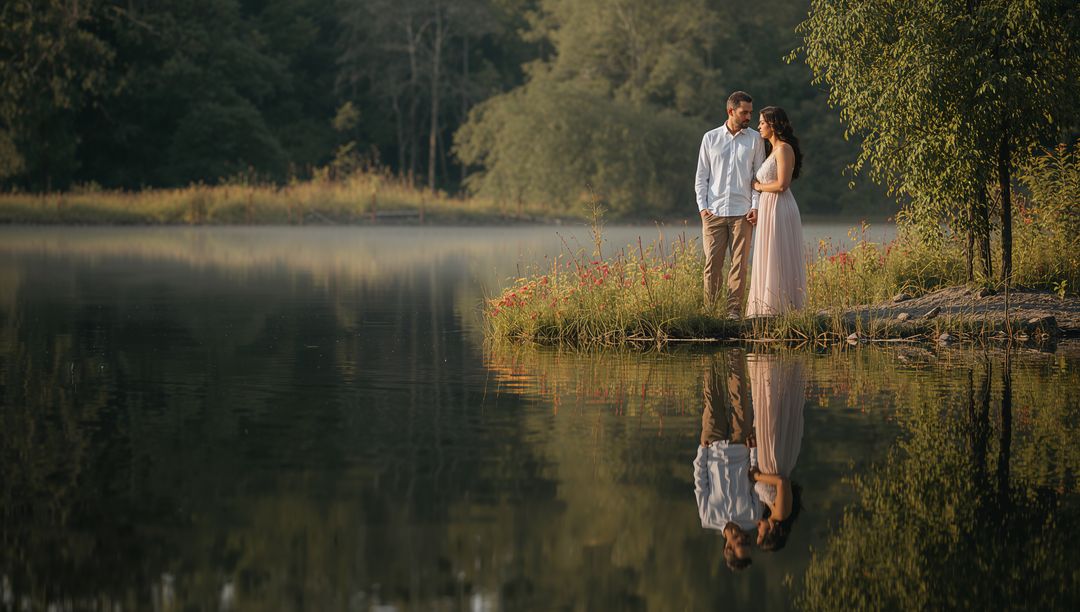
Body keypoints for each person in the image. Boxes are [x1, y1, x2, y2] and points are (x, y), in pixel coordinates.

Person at [695, 91, 767, 317]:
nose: (748, 117)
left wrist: (755, 207)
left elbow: (759, 178)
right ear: (730, 111)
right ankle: (711, 311)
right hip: (713, 212)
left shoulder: (755, 139)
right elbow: (701, 177)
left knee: (739, 265)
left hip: (742, 213)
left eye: (750, 113)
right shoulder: (710, 138)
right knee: (712, 265)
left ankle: (733, 312)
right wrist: (702, 208)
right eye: (744, 112)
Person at [692, 350, 760, 570]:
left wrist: (702, 451)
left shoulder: (708, 517)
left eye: (741, 543)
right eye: (748, 542)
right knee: (739, 394)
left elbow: (700, 483)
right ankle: (732, 349)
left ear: (728, 548)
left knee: (711, 394)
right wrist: (754, 451)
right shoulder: (753, 517)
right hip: (741, 447)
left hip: (712, 447)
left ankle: (710, 348)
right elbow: (756, 481)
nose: (745, 538)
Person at [745, 106, 808, 317]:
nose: (759, 126)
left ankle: (781, 307)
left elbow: (782, 184)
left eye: (762, 122)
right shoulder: (772, 150)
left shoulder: (783, 149)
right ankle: (768, 306)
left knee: (778, 252)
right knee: (770, 253)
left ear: (772, 125)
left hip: (779, 206)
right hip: (769, 206)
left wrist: (758, 186)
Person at [747, 352, 807, 552]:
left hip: (771, 459)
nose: (758, 527)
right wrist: (757, 476)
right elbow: (782, 482)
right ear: (771, 531)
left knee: (770, 414)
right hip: (776, 460)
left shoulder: (772, 511)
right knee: (774, 417)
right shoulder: (781, 514)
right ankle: (772, 365)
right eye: (761, 533)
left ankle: (772, 365)